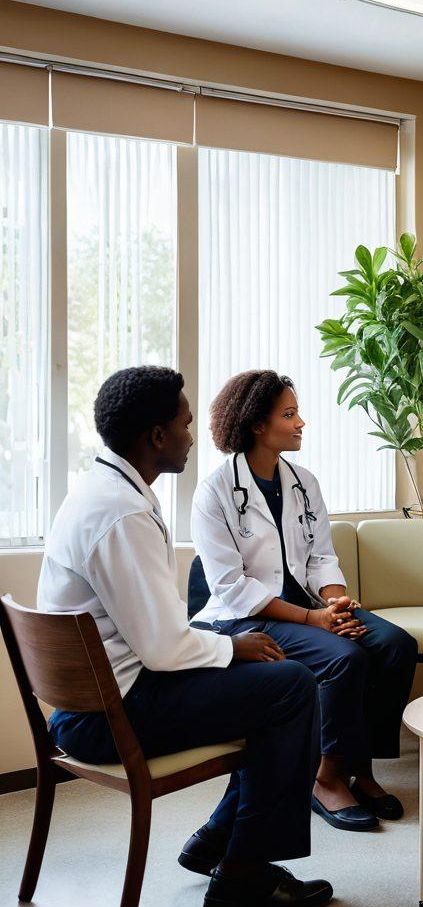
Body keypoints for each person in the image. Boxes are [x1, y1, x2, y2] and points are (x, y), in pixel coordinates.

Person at [37, 367, 331, 907]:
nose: (192, 437)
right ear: (156, 436)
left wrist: (230, 652)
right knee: (292, 688)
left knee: (270, 684)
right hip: (109, 717)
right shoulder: (122, 513)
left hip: (93, 702)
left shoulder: (102, 491)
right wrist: (233, 646)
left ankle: (219, 842)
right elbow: (163, 649)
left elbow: (154, 635)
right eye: (185, 424)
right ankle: (242, 875)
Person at [190, 369, 418, 832]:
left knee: (397, 645)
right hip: (246, 616)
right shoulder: (214, 491)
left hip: (309, 605)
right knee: (345, 659)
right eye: (289, 414)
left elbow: (320, 556)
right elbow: (231, 586)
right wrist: (315, 620)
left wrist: (337, 605)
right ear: (257, 424)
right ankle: (326, 777)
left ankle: (361, 768)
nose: (301, 423)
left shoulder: (303, 481)